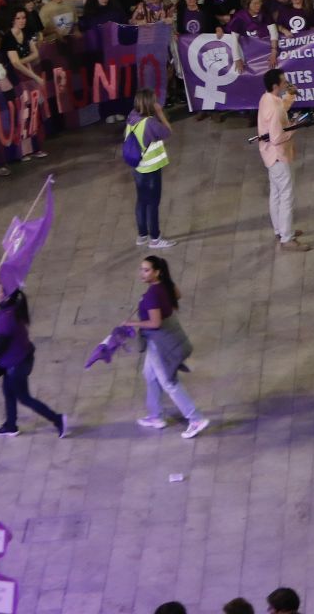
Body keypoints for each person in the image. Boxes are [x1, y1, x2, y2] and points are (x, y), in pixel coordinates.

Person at [0, 279, 68, 437]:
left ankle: (58, 419)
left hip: (16, 364)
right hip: (20, 358)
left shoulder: (5, 319)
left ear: (7, 296)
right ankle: (10, 425)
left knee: (24, 397)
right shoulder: (13, 307)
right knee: (8, 392)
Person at [125, 255, 209, 438]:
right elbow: (177, 295)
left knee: (169, 383)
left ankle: (195, 419)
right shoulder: (165, 285)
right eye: (141, 269)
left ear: (157, 272)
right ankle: (155, 416)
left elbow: (155, 323)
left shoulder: (152, 295)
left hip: (160, 344)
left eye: (146, 270)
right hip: (170, 339)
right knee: (149, 374)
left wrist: (133, 323)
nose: (142, 273)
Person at [255, 69, 310, 253]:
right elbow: (277, 137)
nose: (286, 83)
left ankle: (281, 230)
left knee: (276, 194)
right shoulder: (275, 106)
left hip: (269, 155)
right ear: (275, 85)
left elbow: (280, 109)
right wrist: (295, 126)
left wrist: (290, 97)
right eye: (284, 82)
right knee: (286, 196)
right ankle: (287, 238)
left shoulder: (267, 99)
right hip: (279, 155)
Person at [126, 87, 174, 248]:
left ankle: (142, 235)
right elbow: (168, 132)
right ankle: (155, 238)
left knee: (141, 201)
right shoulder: (150, 123)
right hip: (151, 169)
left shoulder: (132, 117)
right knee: (153, 203)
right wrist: (160, 115)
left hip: (138, 167)